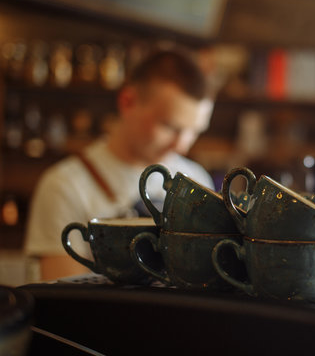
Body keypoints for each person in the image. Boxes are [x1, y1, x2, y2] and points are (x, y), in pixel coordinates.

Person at [24, 49, 215, 281]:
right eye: (170, 127)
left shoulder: (195, 179)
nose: (182, 146)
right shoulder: (64, 186)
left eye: (194, 131)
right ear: (128, 101)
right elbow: (65, 304)